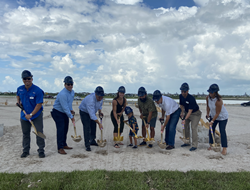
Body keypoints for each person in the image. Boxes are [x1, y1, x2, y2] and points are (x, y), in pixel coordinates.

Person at [16, 70, 45, 158]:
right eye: (25, 79)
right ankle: (26, 150)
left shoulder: (38, 90)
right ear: (22, 80)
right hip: (24, 116)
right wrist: (18, 102)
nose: (27, 80)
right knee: (25, 134)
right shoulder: (20, 89)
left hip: (36, 115)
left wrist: (31, 115)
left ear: (32, 79)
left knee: (39, 132)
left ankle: (41, 150)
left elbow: (39, 104)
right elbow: (18, 95)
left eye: (28, 78)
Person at [51, 76, 75, 155]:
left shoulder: (72, 92)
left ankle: (64, 144)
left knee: (65, 128)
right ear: (65, 85)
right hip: (57, 112)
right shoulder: (62, 94)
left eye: (71, 84)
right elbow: (64, 107)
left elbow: (69, 103)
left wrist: (71, 110)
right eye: (68, 84)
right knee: (60, 129)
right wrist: (71, 117)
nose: (70, 86)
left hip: (64, 112)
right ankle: (60, 148)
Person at [79, 86, 104, 151]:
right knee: (87, 127)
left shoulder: (101, 98)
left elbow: (99, 106)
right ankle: (87, 144)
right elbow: (92, 115)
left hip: (92, 111)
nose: (100, 98)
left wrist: (100, 112)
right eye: (99, 97)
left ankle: (92, 140)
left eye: (101, 97)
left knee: (93, 125)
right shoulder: (90, 100)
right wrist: (99, 123)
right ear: (95, 94)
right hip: (84, 112)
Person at [206, 84, 228, 155]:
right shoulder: (207, 98)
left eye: (211, 92)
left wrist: (212, 121)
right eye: (209, 92)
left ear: (215, 92)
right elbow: (208, 106)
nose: (210, 93)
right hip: (213, 115)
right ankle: (211, 145)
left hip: (222, 117)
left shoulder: (218, 101)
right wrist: (208, 114)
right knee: (211, 129)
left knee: (222, 131)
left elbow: (218, 113)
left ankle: (224, 148)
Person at [179, 83, 202, 151]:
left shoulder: (191, 98)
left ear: (187, 91)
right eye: (182, 91)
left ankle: (194, 145)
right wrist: (182, 113)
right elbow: (181, 105)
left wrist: (185, 119)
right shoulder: (180, 96)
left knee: (193, 127)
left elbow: (190, 111)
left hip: (195, 113)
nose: (183, 93)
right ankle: (187, 141)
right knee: (185, 126)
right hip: (186, 112)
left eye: (184, 91)